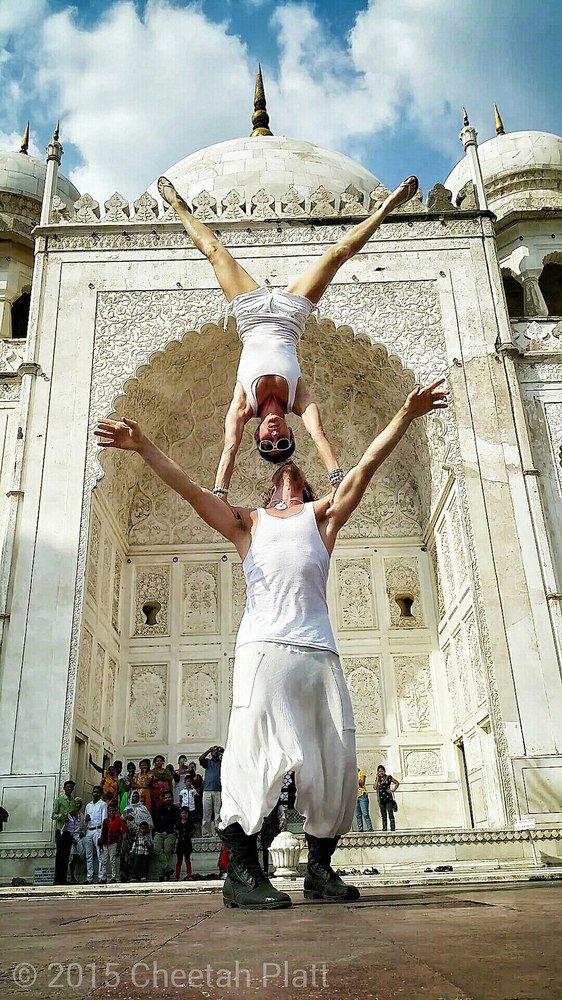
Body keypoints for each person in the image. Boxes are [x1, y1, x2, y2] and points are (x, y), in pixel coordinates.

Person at [95, 378, 447, 908]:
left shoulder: (321, 519)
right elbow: (192, 492)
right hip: (265, 650)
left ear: (306, 488)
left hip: (320, 653)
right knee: (253, 753)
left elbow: (367, 466)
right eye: (281, 473)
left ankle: (320, 870)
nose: (288, 475)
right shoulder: (248, 524)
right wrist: (144, 446)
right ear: (266, 491)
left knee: (333, 760)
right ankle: (241, 871)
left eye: (296, 473)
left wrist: (405, 412)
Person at [157, 173, 419, 497]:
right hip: (291, 313)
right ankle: (388, 207)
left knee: (213, 250)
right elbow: (320, 435)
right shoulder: (299, 398)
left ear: (257, 436)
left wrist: (220, 495)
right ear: (291, 433)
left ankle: (178, 206)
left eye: (268, 444)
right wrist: (337, 480)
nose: (274, 435)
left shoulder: (243, 405)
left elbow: (228, 449)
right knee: (337, 255)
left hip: (249, 312)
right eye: (283, 442)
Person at [51, 779, 77, 885]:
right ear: (64, 788)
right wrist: (62, 817)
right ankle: (57, 879)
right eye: (68, 787)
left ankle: (63, 878)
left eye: (71, 787)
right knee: (60, 855)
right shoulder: (59, 800)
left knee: (66, 855)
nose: (70, 789)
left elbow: (74, 815)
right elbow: (53, 815)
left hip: (69, 831)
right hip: (61, 830)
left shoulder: (73, 801)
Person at [153, 789, 180, 881]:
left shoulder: (176, 809)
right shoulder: (160, 809)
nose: (167, 799)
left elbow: (175, 821)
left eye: (169, 797)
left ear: (172, 798)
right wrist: (166, 823)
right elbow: (158, 821)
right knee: (156, 848)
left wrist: (167, 824)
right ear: (163, 799)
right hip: (160, 832)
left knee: (167, 850)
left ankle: (162, 874)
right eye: (166, 798)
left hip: (170, 833)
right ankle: (167, 869)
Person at [98, 802, 128, 883]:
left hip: (113, 842)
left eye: (113, 811)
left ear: (115, 811)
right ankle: (103, 877)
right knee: (104, 860)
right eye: (109, 811)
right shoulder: (105, 821)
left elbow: (123, 829)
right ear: (107, 812)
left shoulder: (118, 820)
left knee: (112, 860)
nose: (111, 812)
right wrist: (100, 841)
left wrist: (119, 835)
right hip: (105, 843)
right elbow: (103, 832)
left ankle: (113, 876)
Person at [84, 785, 107, 884]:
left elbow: (104, 820)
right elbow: (85, 820)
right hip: (89, 830)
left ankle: (101, 877)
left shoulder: (103, 804)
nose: (95, 794)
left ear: (101, 794)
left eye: (98, 792)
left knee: (100, 855)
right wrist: (86, 820)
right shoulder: (88, 805)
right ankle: (89, 878)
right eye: (94, 792)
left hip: (98, 830)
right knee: (88, 855)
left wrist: (102, 834)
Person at [199, 745, 223, 836]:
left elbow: (229, 762)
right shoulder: (207, 762)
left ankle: (218, 833)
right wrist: (208, 750)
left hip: (218, 790)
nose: (215, 752)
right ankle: (206, 833)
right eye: (214, 751)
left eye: (217, 751)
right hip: (207, 790)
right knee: (206, 813)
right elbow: (201, 759)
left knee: (218, 813)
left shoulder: (222, 763)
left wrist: (222, 752)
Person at [374, 765, 400, 832]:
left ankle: (392, 829)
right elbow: (374, 787)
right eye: (379, 771)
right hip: (381, 800)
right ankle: (384, 829)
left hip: (388, 799)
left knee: (390, 814)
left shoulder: (389, 777)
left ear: (384, 771)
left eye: (382, 771)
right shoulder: (378, 779)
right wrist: (377, 779)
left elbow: (397, 783)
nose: (381, 773)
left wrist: (393, 790)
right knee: (383, 815)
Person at [69, 797, 86, 884]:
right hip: (72, 838)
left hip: (79, 837)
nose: (78, 805)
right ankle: (72, 877)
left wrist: (82, 832)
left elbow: (82, 826)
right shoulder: (70, 815)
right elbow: (67, 828)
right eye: (76, 804)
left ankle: (85, 874)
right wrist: (71, 839)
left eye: (79, 804)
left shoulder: (82, 815)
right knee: (73, 857)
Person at [174, 806, 193, 880]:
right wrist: (178, 834)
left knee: (187, 860)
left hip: (187, 843)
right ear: (180, 814)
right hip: (180, 843)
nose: (184, 815)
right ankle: (177, 876)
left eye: (186, 813)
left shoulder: (190, 823)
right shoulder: (178, 823)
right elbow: (175, 829)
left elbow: (194, 829)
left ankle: (189, 876)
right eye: (183, 813)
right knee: (179, 861)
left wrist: (190, 835)